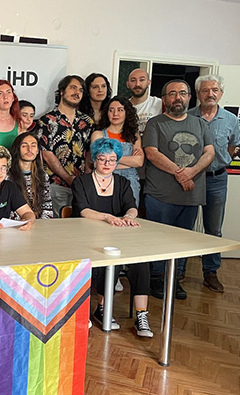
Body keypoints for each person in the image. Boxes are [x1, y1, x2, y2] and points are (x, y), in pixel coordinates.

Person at [71, 138, 152, 338]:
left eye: (112, 160)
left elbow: (131, 206)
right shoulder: (81, 182)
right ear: (94, 159)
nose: (107, 164)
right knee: (110, 260)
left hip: (118, 237)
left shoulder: (123, 183)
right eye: (102, 159)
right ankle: (102, 308)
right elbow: (83, 210)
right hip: (86, 238)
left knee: (141, 262)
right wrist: (107, 217)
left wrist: (129, 216)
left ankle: (141, 315)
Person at [143, 79, 215, 300]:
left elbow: (210, 152)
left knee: (184, 241)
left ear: (189, 97)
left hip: (191, 195)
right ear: (164, 99)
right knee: (157, 238)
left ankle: (174, 279)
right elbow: (152, 153)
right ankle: (156, 278)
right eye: (172, 93)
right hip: (160, 195)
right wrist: (180, 173)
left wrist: (192, 172)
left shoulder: (200, 124)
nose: (177, 97)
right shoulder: (155, 123)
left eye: (182, 93)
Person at [188, 74, 240, 293]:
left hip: (217, 179)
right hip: (190, 179)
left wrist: (218, 161)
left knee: (214, 229)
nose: (210, 94)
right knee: (185, 228)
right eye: (205, 90)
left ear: (221, 93)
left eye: (215, 90)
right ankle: (178, 271)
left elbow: (232, 147)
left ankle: (210, 273)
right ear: (198, 94)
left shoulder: (231, 120)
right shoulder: (187, 116)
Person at [36, 75, 94, 218]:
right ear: (62, 91)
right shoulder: (47, 121)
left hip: (81, 186)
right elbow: (46, 154)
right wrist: (67, 177)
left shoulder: (87, 122)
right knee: (57, 227)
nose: (77, 92)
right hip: (55, 185)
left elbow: (89, 152)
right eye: (73, 88)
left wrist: (86, 180)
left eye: (80, 90)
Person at [90, 96, 144, 204]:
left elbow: (139, 162)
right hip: (103, 180)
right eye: (111, 110)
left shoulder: (134, 136)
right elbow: (96, 163)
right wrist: (129, 162)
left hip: (130, 181)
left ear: (127, 113)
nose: (115, 114)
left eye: (120, 110)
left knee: (129, 212)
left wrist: (107, 159)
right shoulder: (98, 134)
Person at [8, 132, 53, 219]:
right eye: (24, 146)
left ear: (37, 151)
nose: (29, 149)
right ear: (17, 149)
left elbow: (47, 207)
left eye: (33, 146)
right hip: (17, 223)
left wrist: (42, 223)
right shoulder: (7, 176)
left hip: (40, 223)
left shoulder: (43, 175)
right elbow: (8, 210)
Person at [126, 68, 163, 135]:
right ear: (128, 84)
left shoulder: (160, 104)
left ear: (148, 82)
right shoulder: (123, 107)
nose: (137, 84)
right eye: (133, 80)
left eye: (142, 80)